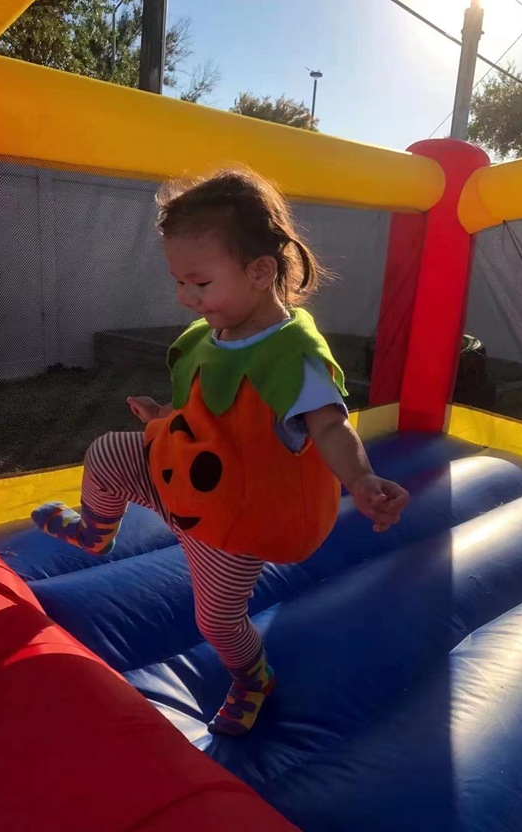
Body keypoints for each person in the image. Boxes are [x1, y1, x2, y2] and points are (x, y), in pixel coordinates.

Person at [32, 169, 410, 736]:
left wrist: (360, 480)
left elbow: (331, 427)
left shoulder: (293, 357)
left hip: (233, 518)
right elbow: (208, 409)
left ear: (260, 271)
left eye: (200, 283)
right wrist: (162, 415)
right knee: (108, 453)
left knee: (216, 620)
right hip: (181, 475)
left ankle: (252, 676)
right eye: (179, 282)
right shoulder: (214, 333)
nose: (185, 297)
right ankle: (95, 532)